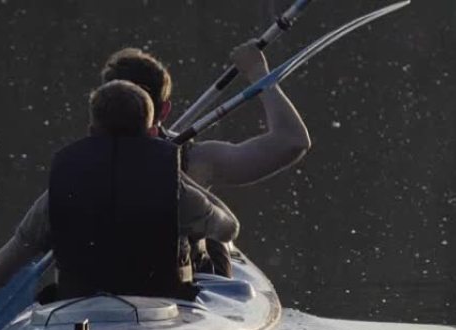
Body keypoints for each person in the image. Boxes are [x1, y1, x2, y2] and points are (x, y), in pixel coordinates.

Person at [0, 80, 239, 301]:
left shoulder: (58, 194)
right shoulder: (176, 193)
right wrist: (180, 177)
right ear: (150, 132)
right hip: (160, 310)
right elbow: (227, 229)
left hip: (77, 313)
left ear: (91, 129)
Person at [101, 41, 310, 276]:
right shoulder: (198, 160)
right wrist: (258, 73)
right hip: (174, 293)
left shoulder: (76, 164)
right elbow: (292, 141)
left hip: (100, 292)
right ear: (165, 110)